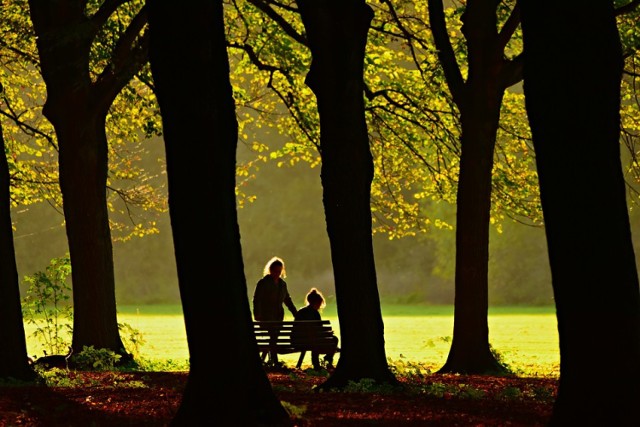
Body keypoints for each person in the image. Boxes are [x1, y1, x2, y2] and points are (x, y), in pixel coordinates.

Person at [252, 256, 297, 365]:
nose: (277, 273)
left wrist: (296, 313)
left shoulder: (282, 284)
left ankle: (269, 360)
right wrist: (257, 314)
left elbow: (287, 300)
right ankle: (274, 361)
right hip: (266, 316)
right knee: (272, 338)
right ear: (270, 270)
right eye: (275, 271)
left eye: (279, 271)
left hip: (278, 316)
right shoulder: (263, 283)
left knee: (274, 338)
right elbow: (257, 299)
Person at [294, 287, 338, 370]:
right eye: (320, 303)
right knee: (334, 339)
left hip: (297, 341)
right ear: (316, 303)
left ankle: (317, 365)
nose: (320, 306)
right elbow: (319, 330)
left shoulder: (301, 311)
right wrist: (328, 333)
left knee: (315, 340)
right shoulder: (315, 313)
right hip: (312, 340)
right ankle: (327, 359)